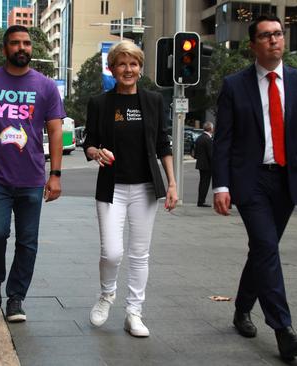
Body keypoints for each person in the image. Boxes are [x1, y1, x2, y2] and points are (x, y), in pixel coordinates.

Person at [212, 15, 297, 360]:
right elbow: (223, 140)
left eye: (278, 34)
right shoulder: (235, 85)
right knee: (266, 247)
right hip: (251, 180)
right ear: (253, 45)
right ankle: (284, 330)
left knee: (263, 250)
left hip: (286, 179)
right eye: (266, 36)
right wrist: (221, 185)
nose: (274, 40)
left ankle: (242, 308)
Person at [0, 25, 65, 323]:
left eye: (27, 43)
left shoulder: (45, 86)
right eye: (15, 43)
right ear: (5, 49)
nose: (22, 48)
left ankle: (16, 298)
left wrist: (54, 174)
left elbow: (55, 130)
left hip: (32, 176)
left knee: (28, 240)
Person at [82, 41, 177, 338]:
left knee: (139, 254)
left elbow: (163, 143)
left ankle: (134, 312)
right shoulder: (100, 103)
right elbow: (88, 144)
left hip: (145, 188)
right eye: (122, 64)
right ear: (112, 68)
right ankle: (106, 294)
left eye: (133, 63)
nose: (128, 69)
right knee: (111, 253)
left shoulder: (153, 101)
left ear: (140, 68)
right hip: (112, 188)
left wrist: (172, 183)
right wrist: (96, 153)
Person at [194, 122, 214, 207]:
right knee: (205, 184)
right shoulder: (208, 139)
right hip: (207, 166)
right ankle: (201, 201)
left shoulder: (199, 138)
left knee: (202, 183)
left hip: (201, 164)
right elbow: (211, 154)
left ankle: (200, 200)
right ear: (211, 129)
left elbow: (195, 153)